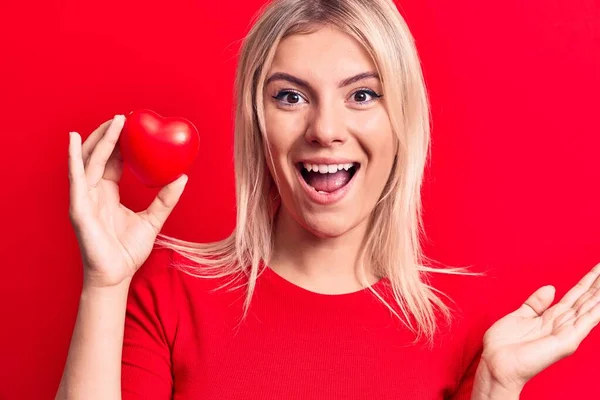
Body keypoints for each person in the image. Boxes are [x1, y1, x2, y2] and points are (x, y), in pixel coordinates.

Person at [56, 0, 600, 399]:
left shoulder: (466, 330)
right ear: (256, 124)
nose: (325, 129)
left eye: (361, 95)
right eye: (290, 97)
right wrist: (103, 285)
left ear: (402, 121)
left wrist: (496, 389)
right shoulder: (170, 295)